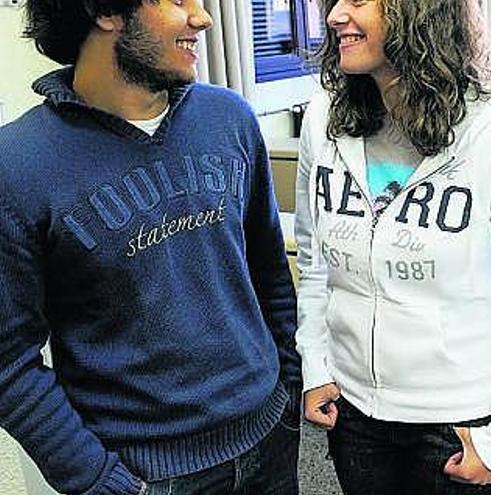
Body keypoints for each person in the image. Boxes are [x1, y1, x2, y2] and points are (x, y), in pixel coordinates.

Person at [0, 1, 301, 494]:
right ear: (104, 11)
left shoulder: (230, 120)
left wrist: (288, 381)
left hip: (270, 440)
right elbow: (9, 361)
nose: (202, 18)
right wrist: (96, 478)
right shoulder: (17, 166)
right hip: (148, 477)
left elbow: (268, 272)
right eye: (178, 1)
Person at [294, 0, 491, 493]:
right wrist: (314, 364)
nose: (334, 16)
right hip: (354, 412)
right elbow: (314, 263)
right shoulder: (323, 119)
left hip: (456, 422)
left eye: (356, 1)